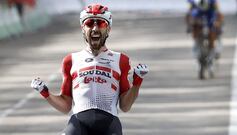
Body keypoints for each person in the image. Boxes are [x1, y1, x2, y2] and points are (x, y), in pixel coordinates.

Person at [31, 4, 149, 135]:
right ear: (83, 28)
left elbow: (125, 106)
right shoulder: (71, 60)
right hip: (79, 123)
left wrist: (137, 82)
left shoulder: (121, 60)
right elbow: (65, 106)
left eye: (101, 24)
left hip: (109, 124)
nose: (95, 28)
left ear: (109, 29)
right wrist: (45, 92)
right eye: (89, 23)